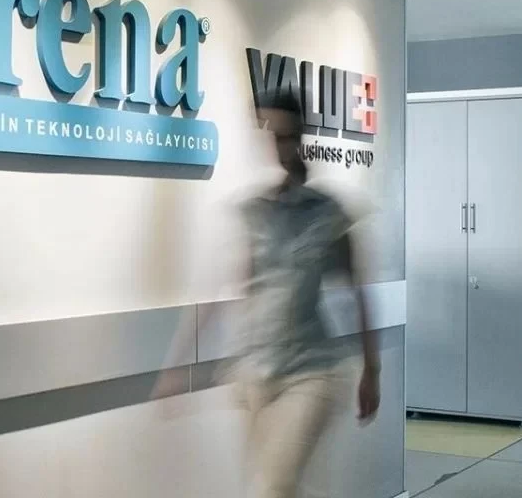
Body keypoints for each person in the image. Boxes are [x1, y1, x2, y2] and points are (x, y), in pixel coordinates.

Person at [155, 88, 381, 498]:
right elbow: (226, 290)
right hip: (255, 371)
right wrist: (178, 362)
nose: (277, 144)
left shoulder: (327, 213)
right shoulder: (254, 212)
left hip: (311, 369)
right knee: (277, 487)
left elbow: (359, 292)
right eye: (269, 134)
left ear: (299, 134)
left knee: (273, 488)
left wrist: (372, 371)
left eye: (283, 133)